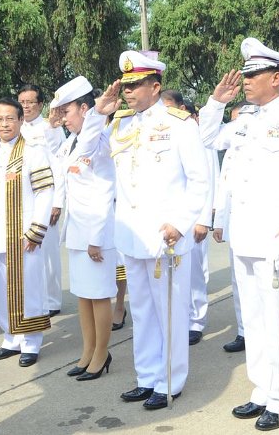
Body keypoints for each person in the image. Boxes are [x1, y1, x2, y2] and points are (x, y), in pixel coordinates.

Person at [198, 37, 279, 430]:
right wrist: (217, 103)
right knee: (252, 321)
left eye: (253, 75)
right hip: (245, 236)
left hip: (277, 238)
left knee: (277, 320)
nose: (246, 81)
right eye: (245, 74)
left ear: (276, 77)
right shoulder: (245, 120)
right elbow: (204, 138)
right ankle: (261, 390)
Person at [75, 50, 209, 409]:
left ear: (156, 85)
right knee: (144, 314)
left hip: (165, 237)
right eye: (126, 85)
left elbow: (199, 181)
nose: (128, 91)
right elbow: (86, 152)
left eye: (135, 85)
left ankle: (169, 381)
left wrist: (180, 225)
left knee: (169, 313)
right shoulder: (119, 123)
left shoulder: (180, 125)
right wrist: (96, 115)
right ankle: (147, 376)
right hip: (131, 237)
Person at [0, 97, 54, 367]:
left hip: (22, 235)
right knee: (0, 289)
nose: (4, 123)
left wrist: (36, 230)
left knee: (28, 289)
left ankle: (31, 342)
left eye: (10, 118)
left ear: (20, 120)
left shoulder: (33, 151)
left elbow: (45, 191)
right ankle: (11, 338)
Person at [51, 76, 116, 381]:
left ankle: (102, 353)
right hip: (76, 233)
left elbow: (104, 192)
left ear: (85, 109)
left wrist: (96, 238)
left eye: (67, 112)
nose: (63, 118)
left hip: (95, 234)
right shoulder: (68, 144)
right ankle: (88, 350)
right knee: (83, 295)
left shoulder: (98, 142)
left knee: (99, 295)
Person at [161, 90, 217, 346]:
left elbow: (207, 180)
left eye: (169, 107)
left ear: (181, 108)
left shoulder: (194, 133)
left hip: (193, 219)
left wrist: (203, 218)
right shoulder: (165, 135)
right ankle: (180, 318)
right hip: (171, 220)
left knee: (195, 272)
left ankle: (196, 320)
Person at [18, 84, 65, 317]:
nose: (25, 106)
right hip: (24, 200)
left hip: (46, 197)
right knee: (29, 251)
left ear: (40, 104)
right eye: (22, 102)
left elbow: (58, 165)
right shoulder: (15, 127)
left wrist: (58, 202)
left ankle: (52, 300)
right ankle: (34, 298)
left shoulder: (50, 127)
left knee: (48, 253)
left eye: (30, 102)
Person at [214, 100, 254, 353]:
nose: (237, 126)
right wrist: (219, 221)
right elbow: (224, 186)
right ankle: (243, 331)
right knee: (239, 281)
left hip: (260, 224)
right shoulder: (231, 151)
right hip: (236, 222)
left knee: (260, 284)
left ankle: (259, 330)